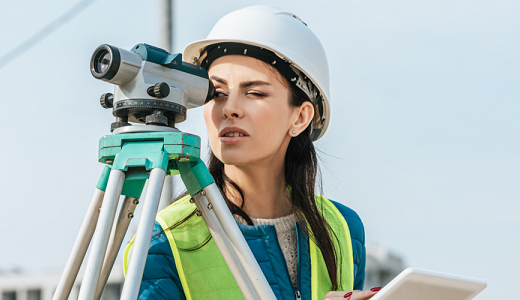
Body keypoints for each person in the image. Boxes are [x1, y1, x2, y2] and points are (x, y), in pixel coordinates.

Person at [123, 6, 376, 300]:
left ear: (300, 117)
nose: (229, 108)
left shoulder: (343, 229)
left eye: (254, 93)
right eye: (217, 94)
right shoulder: (165, 241)